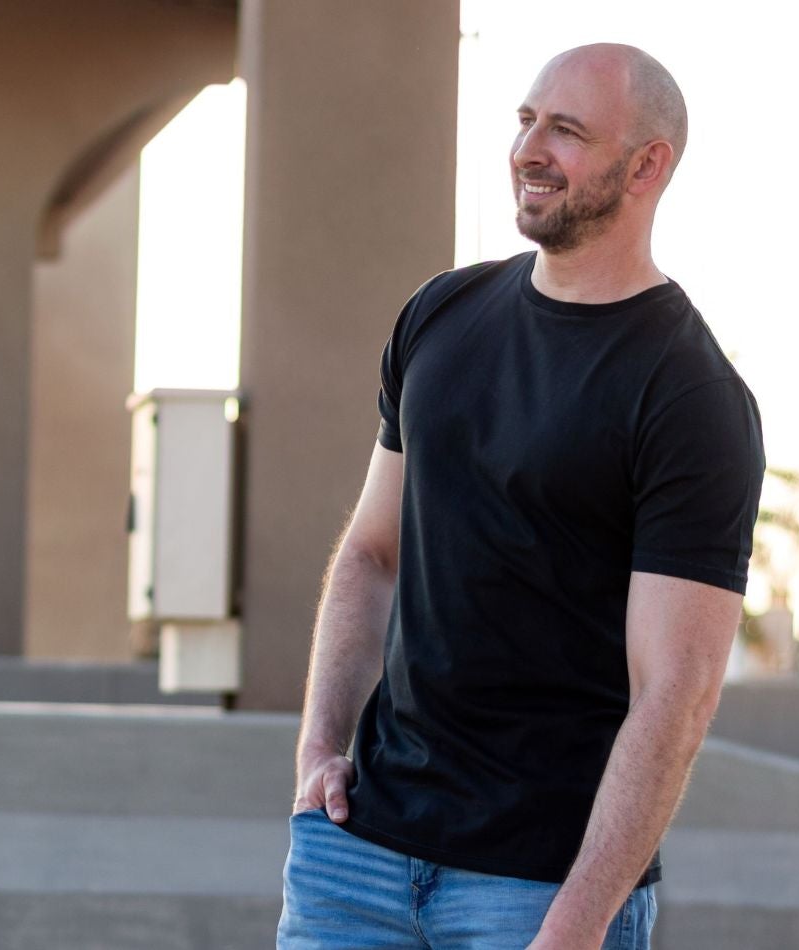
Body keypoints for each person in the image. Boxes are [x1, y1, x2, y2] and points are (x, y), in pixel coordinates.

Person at [279, 43, 754, 950]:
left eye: (566, 131)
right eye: (525, 121)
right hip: (356, 857)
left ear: (646, 165)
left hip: (534, 889)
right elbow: (372, 554)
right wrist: (316, 751)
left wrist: (575, 925)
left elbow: (674, 697)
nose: (529, 148)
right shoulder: (441, 315)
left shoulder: (689, 395)